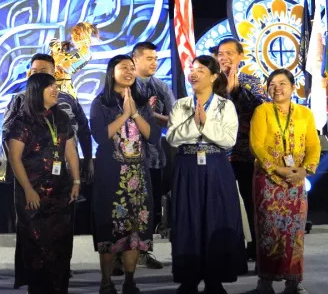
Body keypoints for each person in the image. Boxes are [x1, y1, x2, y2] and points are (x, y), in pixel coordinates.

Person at [166, 55, 245, 294]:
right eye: (192, 69)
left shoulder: (225, 105)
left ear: (213, 76)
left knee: (216, 218)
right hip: (187, 165)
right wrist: (196, 123)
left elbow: (228, 139)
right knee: (187, 219)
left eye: (200, 69)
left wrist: (206, 123)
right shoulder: (181, 104)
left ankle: (215, 278)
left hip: (216, 166)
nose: (194, 73)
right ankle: (188, 277)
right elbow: (172, 137)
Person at [90, 54, 159, 294]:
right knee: (110, 227)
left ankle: (130, 280)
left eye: (132, 68)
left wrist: (136, 114)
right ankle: (106, 282)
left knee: (135, 228)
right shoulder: (101, 102)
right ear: (112, 72)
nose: (129, 72)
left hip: (138, 174)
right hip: (111, 174)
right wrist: (123, 115)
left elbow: (153, 137)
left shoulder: (140, 103)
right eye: (123, 68)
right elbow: (100, 136)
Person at [7, 73, 81, 293]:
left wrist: (76, 180)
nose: (55, 90)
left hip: (60, 191)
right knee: (37, 249)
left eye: (56, 86)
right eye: (50, 87)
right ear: (36, 91)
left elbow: (71, 151)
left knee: (61, 247)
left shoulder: (61, 117)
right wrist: (28, 189)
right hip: (34, 194)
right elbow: (14, 157)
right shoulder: (22, 120)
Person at [250, 69, 320, 294]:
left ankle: (293, 280)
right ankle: (266, 280)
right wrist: (277, 169)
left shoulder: (305, 114)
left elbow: (313, 146)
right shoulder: (262, 111)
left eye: (282, 83)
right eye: (272, 84)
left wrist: (305, 170)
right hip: (268, 182)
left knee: (295, 232)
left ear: (292, 87)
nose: (277, 88)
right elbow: (257, 145)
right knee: (268, 231)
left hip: (296, 182)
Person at [3, 54, 92, 182]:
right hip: (30, 174)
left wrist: (88, 159)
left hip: (65, 171)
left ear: (54, 73)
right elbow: (6, 135)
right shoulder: (19, 100)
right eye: (34, 72)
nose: (38, 75)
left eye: (43, 71)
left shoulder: (68, 99)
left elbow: (83, 129)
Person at [216, 37, 266, 261]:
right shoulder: (212, 83)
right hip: (218, 154)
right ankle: (228, 246)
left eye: (229, 53)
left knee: (249, 200)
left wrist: (236, 91)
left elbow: (260, 106)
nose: (224, 57)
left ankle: (255, 245)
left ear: (240, 56)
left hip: (244, 153)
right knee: (222, 202)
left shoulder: (250, 81)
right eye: (220, 54)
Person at [131, 41, 176, 269]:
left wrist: (149, 115)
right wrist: (147, 115)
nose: (154, 63)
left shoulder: (161, 87)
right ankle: (124, 253)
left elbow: (176, 118)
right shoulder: (125, 85)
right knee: (127, 206)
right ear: (135, 59)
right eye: (149, 58)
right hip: (127, 158)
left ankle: (145, 251)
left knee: (150, 207)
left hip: (155, 156)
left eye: (156, 59)